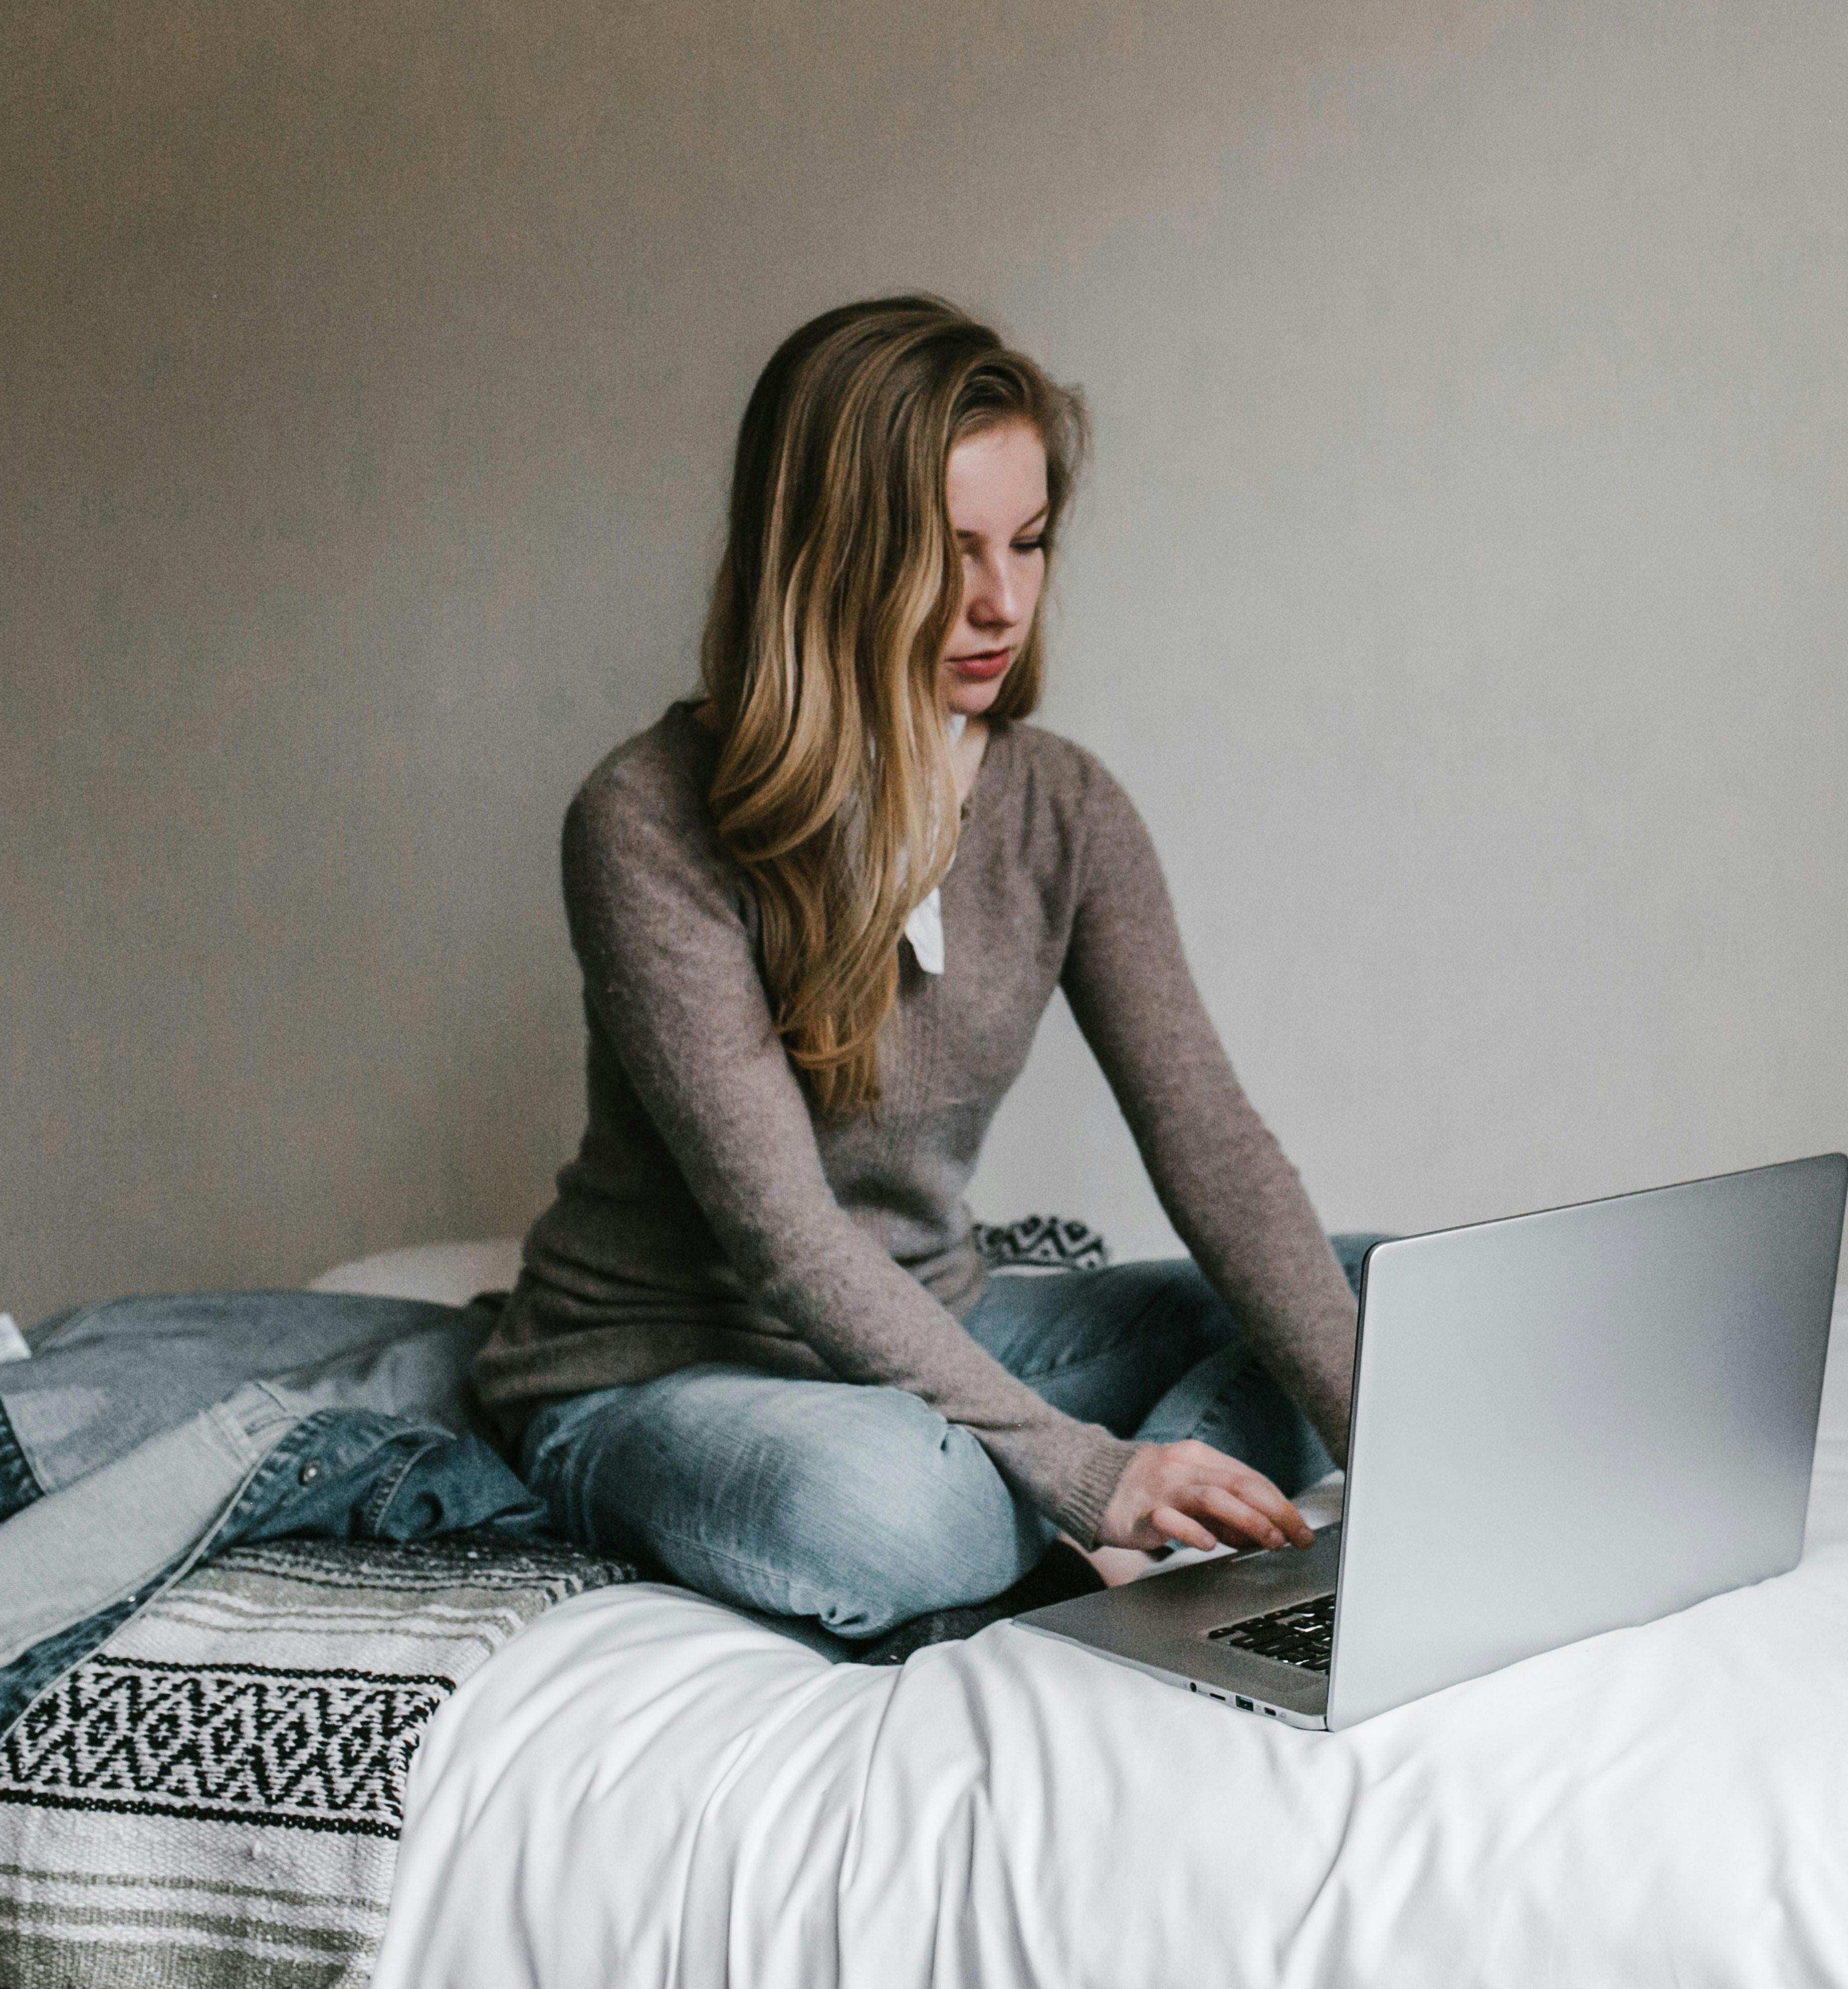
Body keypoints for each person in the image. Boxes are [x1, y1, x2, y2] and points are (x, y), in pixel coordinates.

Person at [469, 295, 1368, 1658]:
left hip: (951, 1328)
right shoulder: (646, 818)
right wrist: (1083, 1469)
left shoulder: (1064, 807)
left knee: (1378, 1297)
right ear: (825, 555)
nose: (1002, 601)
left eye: (1029, 543)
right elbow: (786, 1238)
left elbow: (1211, 1142)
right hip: (665, 1370)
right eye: (946, 555)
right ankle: (1097, 1513)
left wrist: (1388, 1436)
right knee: (893, 1513)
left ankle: (1150, 1536)